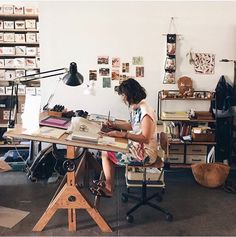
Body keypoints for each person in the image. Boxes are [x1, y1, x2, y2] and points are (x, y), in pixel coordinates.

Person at [90, 78, 163, 198]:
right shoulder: (138, 107)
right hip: (138, 147)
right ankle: (108, 183)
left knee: (106, 153)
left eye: (123, 95)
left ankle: (109, 188)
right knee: (106, 147)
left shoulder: (145, 112)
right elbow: (132, 125)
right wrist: (113, 124)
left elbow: (145, 138)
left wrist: (123, 134)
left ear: (129, 94)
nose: (122, 98)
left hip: (145, 154)